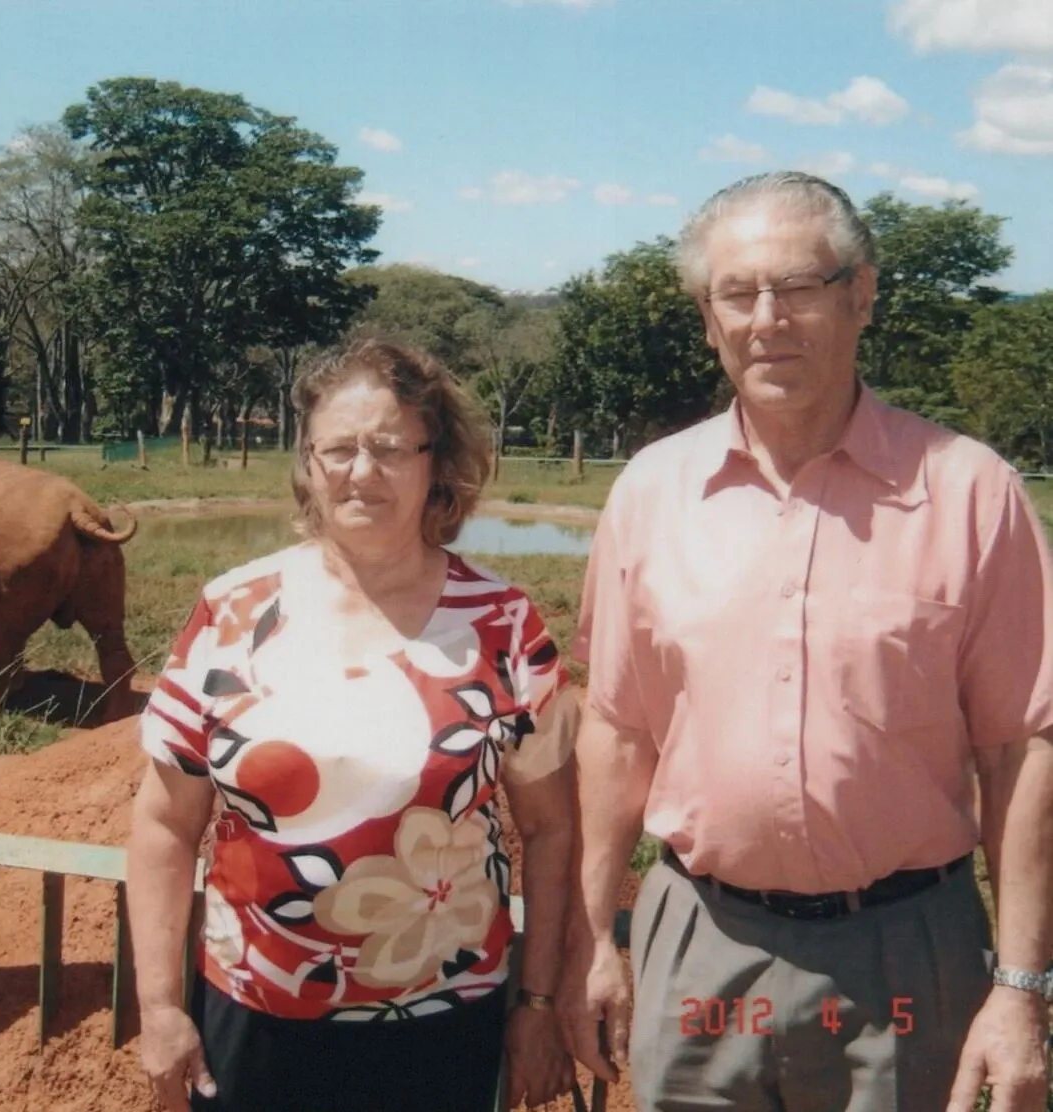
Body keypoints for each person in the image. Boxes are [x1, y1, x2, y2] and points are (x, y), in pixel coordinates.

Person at [558, 169, 1053, 1112]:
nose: (766, 319)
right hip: (699, 941)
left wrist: (1022, 989)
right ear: (707, 318)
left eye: (799, 287)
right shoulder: (650, 495)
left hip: (905, 951)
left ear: (860, 295)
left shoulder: (971, 492)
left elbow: (1020, 749)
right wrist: (591, 939)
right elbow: (617, 732)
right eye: (737, 294)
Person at [126, 337, 581, 1112]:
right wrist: (162, 1009)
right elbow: (165, 825)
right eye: (338, 448)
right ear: (307, 461)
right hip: (251, 1011)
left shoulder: (506, 622)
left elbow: (553, 828)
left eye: (391, 448)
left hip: (441, 1024)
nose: (362, 472)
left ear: (438, 462)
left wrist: (537, 1004)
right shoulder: (231, 609)